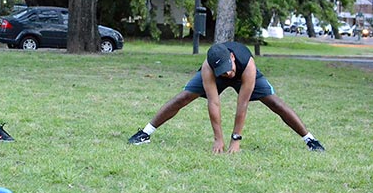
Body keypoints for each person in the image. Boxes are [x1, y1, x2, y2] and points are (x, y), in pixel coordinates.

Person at [128, 41, 325, 153]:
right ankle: (145, 133)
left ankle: (310, 140)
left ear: (232, 58)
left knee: (275, 103)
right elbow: (214, 102)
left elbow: (243, 104)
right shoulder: (209, 68)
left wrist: (235, 139)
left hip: (245, 74)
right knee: (183, 97)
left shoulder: (247, 64)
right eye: (222, 71)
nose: (227, 74)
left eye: (228, 68)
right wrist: (218, 139)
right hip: (213, 76)